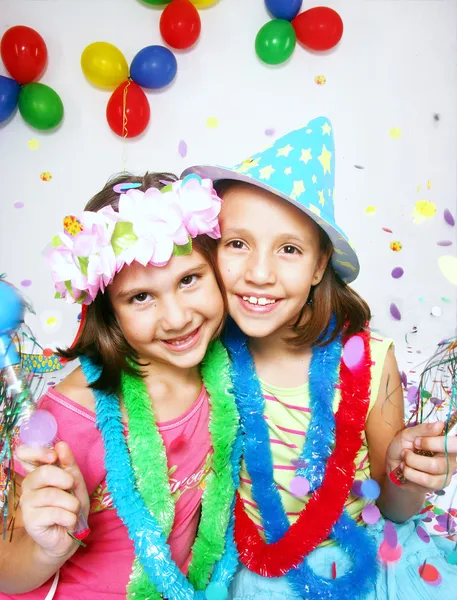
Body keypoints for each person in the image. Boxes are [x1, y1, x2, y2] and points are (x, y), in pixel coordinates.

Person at [182, 116, 457, 599]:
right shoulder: (203, 355)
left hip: (360, 559)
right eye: (238, 244)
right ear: (212, 247)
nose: (259, 273)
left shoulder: (371, 361)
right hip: (257, 567)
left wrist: (405, 473)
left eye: (288, 249)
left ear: (318, 266)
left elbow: (392, 508)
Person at [0, 172, 240, 599]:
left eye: (189, 280)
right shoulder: (73, 416)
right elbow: (6, 571)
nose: (177, 318)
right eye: (140, 297)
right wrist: (48, 550)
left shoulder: (226, 373)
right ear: (110, 312)